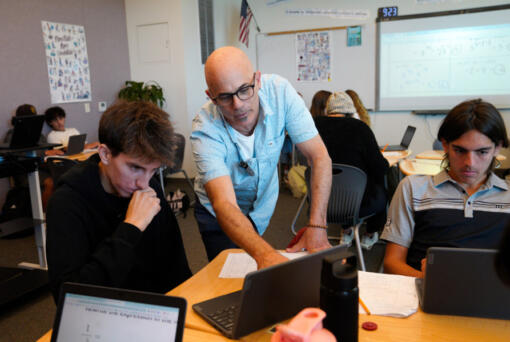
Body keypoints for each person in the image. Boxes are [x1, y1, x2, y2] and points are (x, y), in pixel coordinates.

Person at [191, 46, 332, 268]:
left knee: (254, 267)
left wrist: (317, 226)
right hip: (217, 213)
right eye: (225, 97)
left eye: (244, 90)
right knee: (228, 276)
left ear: (257, 80)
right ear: (211, 97)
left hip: (260, 205)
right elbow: (224, 203)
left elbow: (319, 157)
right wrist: (267, 257)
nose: (238, 105)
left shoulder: (281, 93)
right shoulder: (205, 128)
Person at [46, 101, 191, 301]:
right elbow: (70, 297)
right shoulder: (67, 203)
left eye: (153, 171)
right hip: (100, 319)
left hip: (154, 314)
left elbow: (177, 269)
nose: (144, 183)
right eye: (135, 168)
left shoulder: (150, 188)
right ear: (105, 154)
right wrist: (131, 228)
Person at [382, 99, 510, 278]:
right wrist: (430, 282)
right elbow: (392, 263)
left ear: (497, 148)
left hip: (491, 300)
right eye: (460, 150)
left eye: (482, 152)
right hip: (424, 296)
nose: (469, 163)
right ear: (445, 145)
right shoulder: (413, 189)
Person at [314, 91, 389, 249]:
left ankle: (346, 231)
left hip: (319, 201)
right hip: (358, 203)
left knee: (341, 181)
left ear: (328, 110)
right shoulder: (360, 128)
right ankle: (370, 234)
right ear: (351, 111)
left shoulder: (314, 126)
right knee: (380, 184)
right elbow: (380, 167)